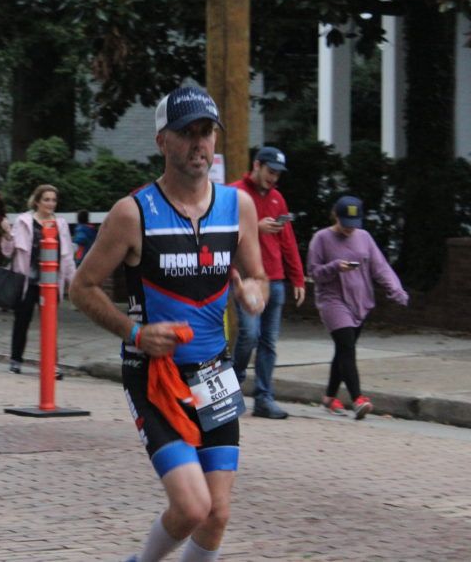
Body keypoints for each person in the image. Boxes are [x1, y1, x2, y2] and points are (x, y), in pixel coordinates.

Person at [70, 86, 268, 562]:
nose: (200, 144)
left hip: (214, 374)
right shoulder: (133, 213)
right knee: (192, 506)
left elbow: (258, 277)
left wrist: (253, 295)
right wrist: (134, 333)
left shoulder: (238, 206)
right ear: (162, 141)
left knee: (217, 513)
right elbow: (82, 287)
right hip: (156, 377)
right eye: (187, 133)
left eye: (207, 132)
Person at [307, 195, 408, 420]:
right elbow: (314, 272)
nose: (350, 229)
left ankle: (329, 397)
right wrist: (335, 267)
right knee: (347, 348)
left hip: (359, 301)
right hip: (332, 300)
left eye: (354, 224)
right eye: (345, 223)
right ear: (336, 216)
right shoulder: (321, 238)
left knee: (343, 349)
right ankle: (358, 399)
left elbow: (380, 267)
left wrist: (396, 290)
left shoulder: (364, 237)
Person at [228, 146, 306, 420]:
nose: (274, 178)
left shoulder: (277, 198)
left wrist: (298, 277)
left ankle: (263, 398)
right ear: (257, 165)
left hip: (275, 278)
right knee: (249, 335)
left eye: (278, 174)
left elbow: (288, 240)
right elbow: (220, 234)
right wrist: (255, 227)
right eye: (270, 171)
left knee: (269, 342)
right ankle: (232, 387)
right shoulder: (234, 193)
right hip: (247, 278)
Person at [1, 184, 76, 374]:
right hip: (27, 282)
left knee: (50, 325)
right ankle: (16, 359)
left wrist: (73, 283)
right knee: (22, 321)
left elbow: (67, 256)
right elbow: (8, 251)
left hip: (50, 283)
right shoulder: (23, 221)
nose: (51, 204)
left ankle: (51, 364)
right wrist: (7, 235)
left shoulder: (61, 224)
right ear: (37, 202)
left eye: (54, 200)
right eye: (46, 200)